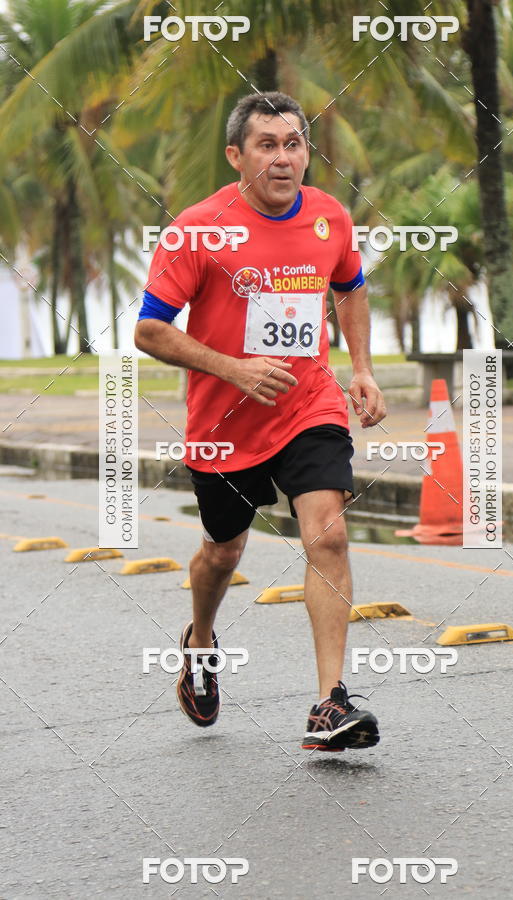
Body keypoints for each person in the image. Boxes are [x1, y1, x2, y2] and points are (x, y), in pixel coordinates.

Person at [134, 91, 387, 751]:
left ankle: (329, 704)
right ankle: (200, 642)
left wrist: (359, 369)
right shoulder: (199, 227)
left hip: (309, 405)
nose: (283, 158)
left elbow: (351, 287)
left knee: (326, 537)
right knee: (223, 552)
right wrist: (235, 368)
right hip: (226, 423)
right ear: (235, 155)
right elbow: (150, 331)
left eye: (294, 143)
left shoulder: (330, 216)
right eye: (267, 145)